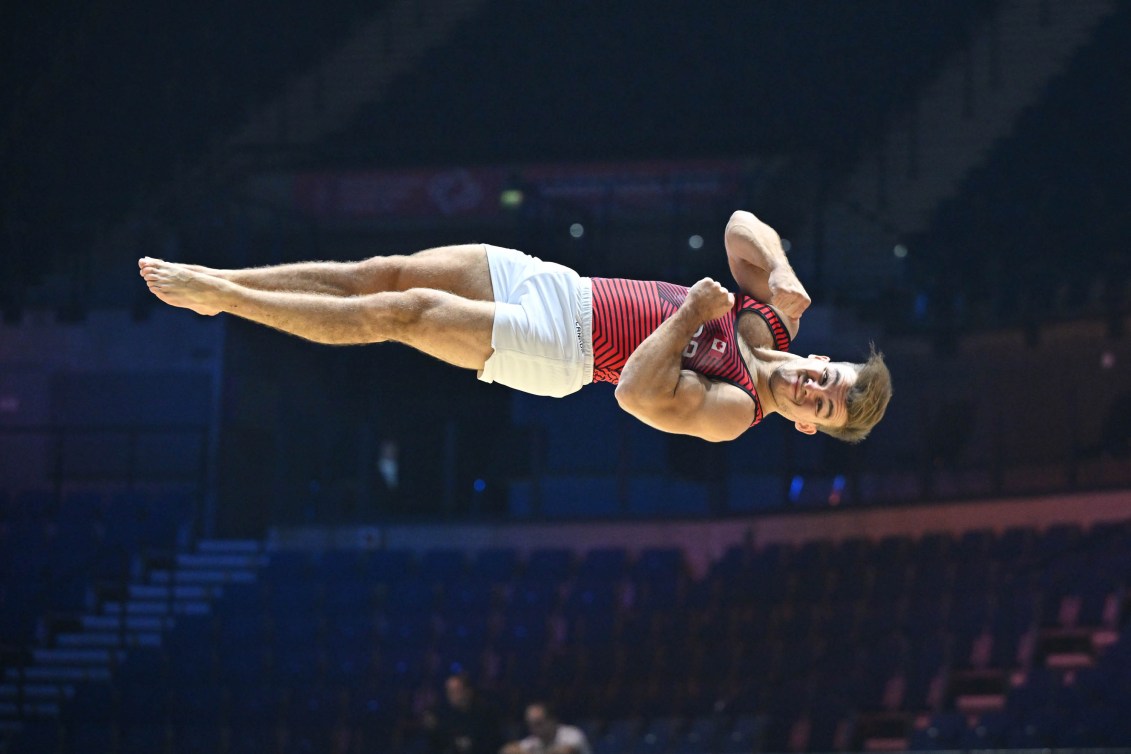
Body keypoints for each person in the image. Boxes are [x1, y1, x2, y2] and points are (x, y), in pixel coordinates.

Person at [139, 210, 891, 442]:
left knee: (402, 315)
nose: (812, 387)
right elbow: (739, 228)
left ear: (802, 424)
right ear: (821, 357)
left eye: (818, 405)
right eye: (829, 376)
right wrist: (783, 274)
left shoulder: (735, 411)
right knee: (384, 272)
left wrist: (695, 314)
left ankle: (226, 301)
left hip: (562, 351)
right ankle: (224, 285)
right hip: (557, 286)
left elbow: (634, 394)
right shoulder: (775, 320)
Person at [425, 673, 504, 754]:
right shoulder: (442, 715)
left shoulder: (485, 714)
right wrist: (432, 729)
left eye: (455, 691)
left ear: (468, 691)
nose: (450, 695)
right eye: (448, 691)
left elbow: (492, 745)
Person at [500, 702, 591, 754]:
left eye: (538, 724)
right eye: (530, 724)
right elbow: (507, 750)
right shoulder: (534, 740)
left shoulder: (572, 734)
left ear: (552, 721)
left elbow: (566, 752)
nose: (533, 728)